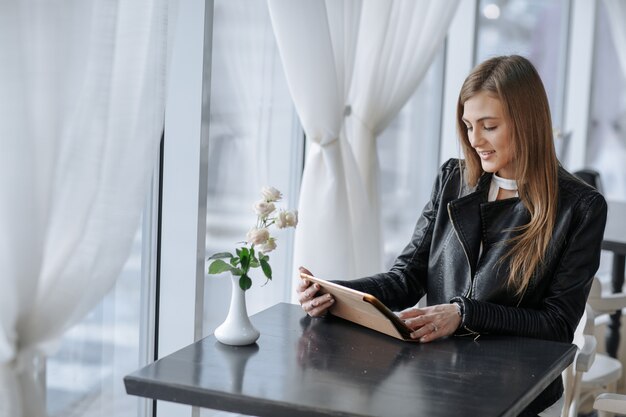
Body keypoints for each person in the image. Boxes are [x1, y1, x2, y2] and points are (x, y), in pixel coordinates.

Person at [296, 55, 608, 416]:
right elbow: (405, 279)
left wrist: (464, 312)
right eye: (468, 126)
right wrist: (334, 293)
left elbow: (557, 325)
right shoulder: (453, 180)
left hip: (522, 397)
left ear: (527, 123)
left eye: (489, 126)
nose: (475, 140)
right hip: (438, 383)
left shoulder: (581, 207)